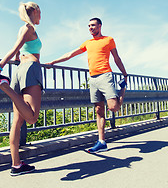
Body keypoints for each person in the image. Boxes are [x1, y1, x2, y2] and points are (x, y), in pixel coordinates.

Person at [46, 17, 128, 153]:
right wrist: (53, 62)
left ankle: (123, 88)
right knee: (98, 110)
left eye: (93, 25)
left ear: (100, 26)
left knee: (113, 108)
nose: (90, 28)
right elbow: (70, 54)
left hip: (106, 75)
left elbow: (116, 58)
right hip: (93, 78)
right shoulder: (87, 43)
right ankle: (101, 142)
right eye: (89, 26)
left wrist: (124, 74)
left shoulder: (108, 40)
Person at [0, 1, 42, 176]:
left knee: (18, 120)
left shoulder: (22, 29)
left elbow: (17, 51)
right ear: (36, 11)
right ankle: (4, 85)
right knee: (31, 118)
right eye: (40, 12)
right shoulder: (29, 28)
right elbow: (14, 48)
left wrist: (14, 60)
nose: (41, 16)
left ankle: (16, 165)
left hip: (19, 71)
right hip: (30, 69)